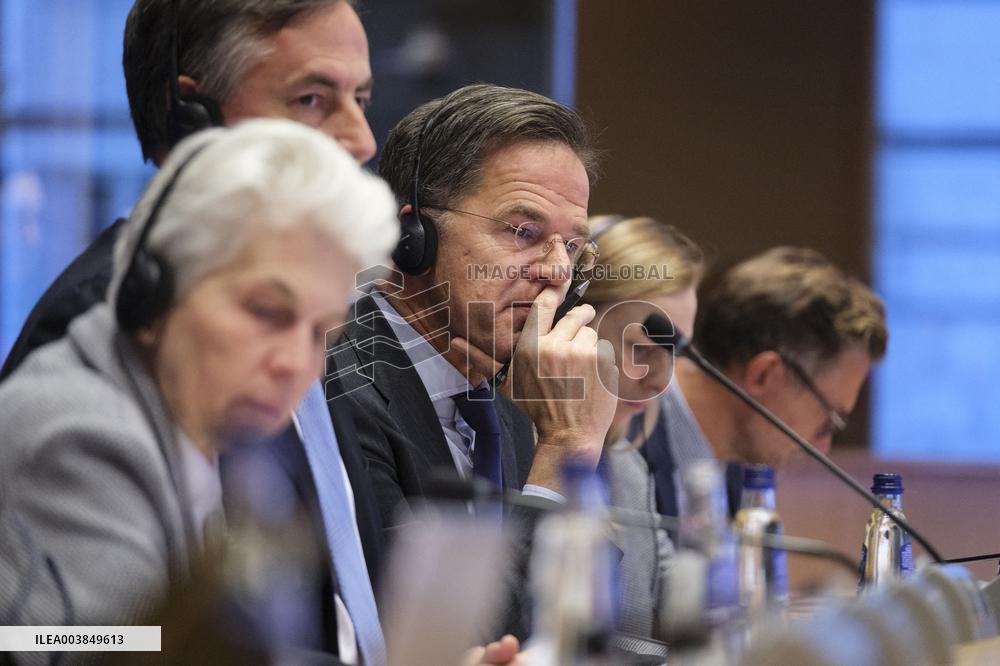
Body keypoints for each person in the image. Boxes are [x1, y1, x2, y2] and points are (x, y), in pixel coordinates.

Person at [0, 120, 398, 662]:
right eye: (265, 311)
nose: (294, 365)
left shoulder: (217, 439)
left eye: (318, 332)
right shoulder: (82, 432)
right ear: (153, 290)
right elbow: (102, 645)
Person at [328, 83, 619, 638]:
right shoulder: (338, 392)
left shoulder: (508, 406)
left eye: (573, 245)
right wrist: (566, 452)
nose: (558, 272)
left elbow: (587, 624)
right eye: (524, 232)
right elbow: (450, 643)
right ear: (412, 236)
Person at [0, 0, 375, 380]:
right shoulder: (100, 326)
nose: (364, 141)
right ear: (192, 123)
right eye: (310, 100)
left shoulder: (318, 314)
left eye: (360, 101)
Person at [650, 246, 888, 517]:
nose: (823, 448)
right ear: (765, 375)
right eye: (828, 421)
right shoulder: (623, 442)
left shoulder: (739, 468)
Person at [576, 214, 706, 642]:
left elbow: (680, 622)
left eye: (676, 352)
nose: (660, 380)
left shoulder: (628, 468)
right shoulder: (504, 455)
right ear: (572, 320)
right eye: (643, 348)